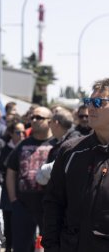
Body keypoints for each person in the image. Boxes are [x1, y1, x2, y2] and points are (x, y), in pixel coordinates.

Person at [42, 78, 109, 252]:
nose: (90, 108)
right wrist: (52, 246)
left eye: (98, 102)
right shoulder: (71, 150)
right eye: (89, 101)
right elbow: (53, 202)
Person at [6, 106, 53, 252]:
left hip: (49, 208)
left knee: (52, 245)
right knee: (21, 247)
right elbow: (11, 172)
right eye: (32, 117)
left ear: (50, 121)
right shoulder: (22, 144)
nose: (33, 120)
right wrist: (13, 199)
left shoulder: (58, 144)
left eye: (39, 118)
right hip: (23, 206)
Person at [0, 121, 26, 252]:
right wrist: (3, 178)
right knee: (8, 223)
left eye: (24, 132)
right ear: (11, 133)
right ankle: (8, 248)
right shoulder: (5, 148)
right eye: (18, 132)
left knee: (23, 224)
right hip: (8, 191)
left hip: (23, 191)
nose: (22, 135)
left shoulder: (26, 146)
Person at [35, 108, 81, 186]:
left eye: (50, 122)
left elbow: (58, 169)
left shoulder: (74, 142)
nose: (49, 126)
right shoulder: (60, 142)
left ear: (56, 123)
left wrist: (42, 169)